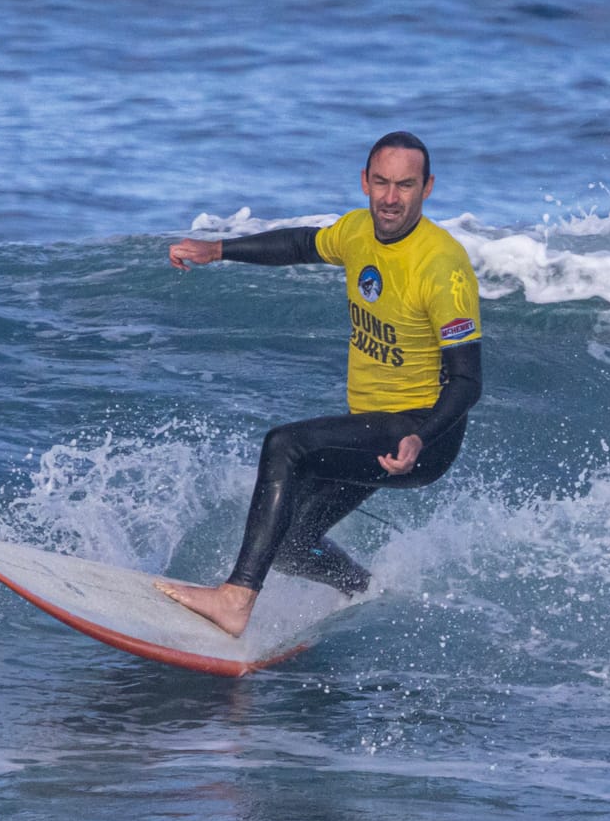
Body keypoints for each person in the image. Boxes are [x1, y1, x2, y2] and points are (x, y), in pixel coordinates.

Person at [157, 131, 483, 636]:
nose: (391, 198)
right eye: (381, 183)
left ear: (428, 188)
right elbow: (300, 243)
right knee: (288, 541)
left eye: (405, 185)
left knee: (284, 446)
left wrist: (421, 436)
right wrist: (217, 249)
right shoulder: (358, 232)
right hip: (373, 425)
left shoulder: (442, 265)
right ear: (364, 182)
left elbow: (467, 381)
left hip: (422, 435)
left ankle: (235, 598)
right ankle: (361, 588)